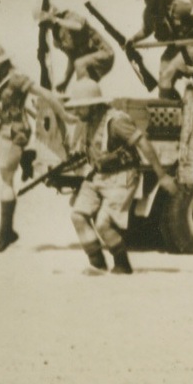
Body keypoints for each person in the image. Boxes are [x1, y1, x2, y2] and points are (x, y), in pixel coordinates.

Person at [0, 42, 69, 252]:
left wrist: (64, 115)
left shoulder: (16, 77)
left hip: (14, 131)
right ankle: (24, 157)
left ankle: (5, 234)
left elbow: (45, 93)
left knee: (6, 182)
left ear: (0, 63)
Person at [62, 79, 177, 274]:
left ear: (93, 105)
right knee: (78, 215)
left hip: (122, 177)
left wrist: (162, 175)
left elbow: (143, 144)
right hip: (99, 175)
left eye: (81, 108)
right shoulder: (89, 122)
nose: (78, 112)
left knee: (103, 224)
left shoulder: (116, 121)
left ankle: (122, 264)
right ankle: (97, 263)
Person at [126, 0, 193, 100]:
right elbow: (146, 30)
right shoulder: (149, 14)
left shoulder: (180, 7)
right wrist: (133, 39)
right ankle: (173, 107)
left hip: (192, 46)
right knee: (163, 79)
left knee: (168, 74)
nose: (150, 2)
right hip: (174, 48)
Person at [33, 4, 115, 92]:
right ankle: (92, 104)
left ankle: (85, 98)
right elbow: (72, 58)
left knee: (80, 65)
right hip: (90, 65)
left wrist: (55, 19)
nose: (47, 26)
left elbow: (78, 26)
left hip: (104, 54)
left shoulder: (69, 16)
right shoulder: (58, 37)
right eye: (44, 24)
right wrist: (65, 81)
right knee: (82, 87)